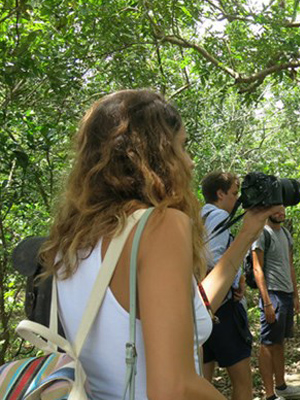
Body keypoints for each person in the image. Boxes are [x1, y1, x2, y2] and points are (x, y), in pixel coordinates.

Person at [39, 89, 279, 399]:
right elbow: (173, 388)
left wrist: (247, 233)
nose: (190, 163)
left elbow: (186, 310)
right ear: (156, 155)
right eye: (182, 147)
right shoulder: (160, 225)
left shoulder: (70, 240)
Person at [200, 171, 252, 400]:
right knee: (242, 380)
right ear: (220, 193)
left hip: (199, 307)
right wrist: (232, 282)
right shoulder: (219, 216)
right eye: (233, 193)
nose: (236, 198)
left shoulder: (197, 216)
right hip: (222, 307)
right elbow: (214, 259)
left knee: (202, 380)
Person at [252, 208, 300, 400]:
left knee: (279, 342)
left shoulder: (284, 233)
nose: (281, 212)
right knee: (267, 343)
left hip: (286, 294)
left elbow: (289, 264)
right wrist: (266, 302)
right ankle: (269, 394)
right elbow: (257, 268)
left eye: (283, 208)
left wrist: (295, 295)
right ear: (268, 211)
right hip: (272, 294)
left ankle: (281, 386)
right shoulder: (261, 233)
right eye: (276, 209)